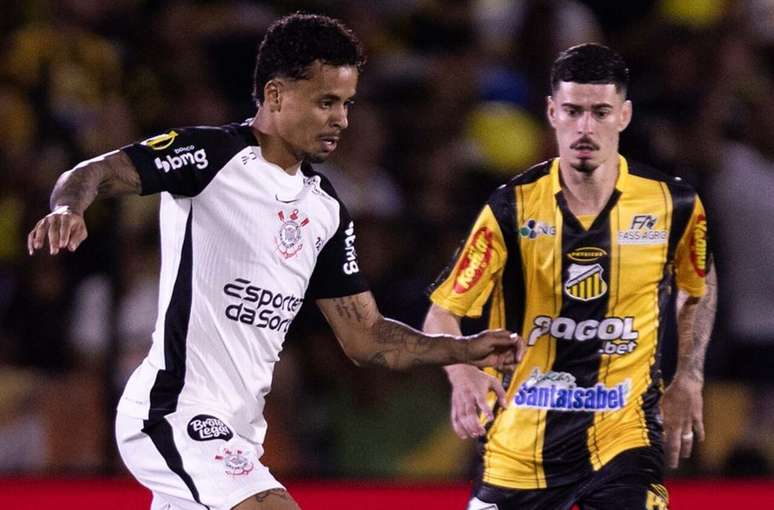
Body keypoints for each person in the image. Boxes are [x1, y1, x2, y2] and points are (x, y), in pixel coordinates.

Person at [27, 13, 522, 510]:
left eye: (346, 104)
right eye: (326, 102)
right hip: (174, 411)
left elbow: (367, 338)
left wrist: (462, 348)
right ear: (277, 94)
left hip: (240, 432)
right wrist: (68, 207)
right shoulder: (209, 155)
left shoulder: (326, 211)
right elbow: (94, 171)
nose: (341, 120)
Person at [423, 43, 716, 510]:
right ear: (551, 112)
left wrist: (689, 377)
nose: (585, 127)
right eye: (573, 111)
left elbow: (698, 286)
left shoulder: (672, 205)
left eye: (600, 112)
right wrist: (461, 375)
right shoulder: (509, 209)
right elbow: (442, 312)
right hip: (519, 450)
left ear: (624, 115)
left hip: (624, 440)